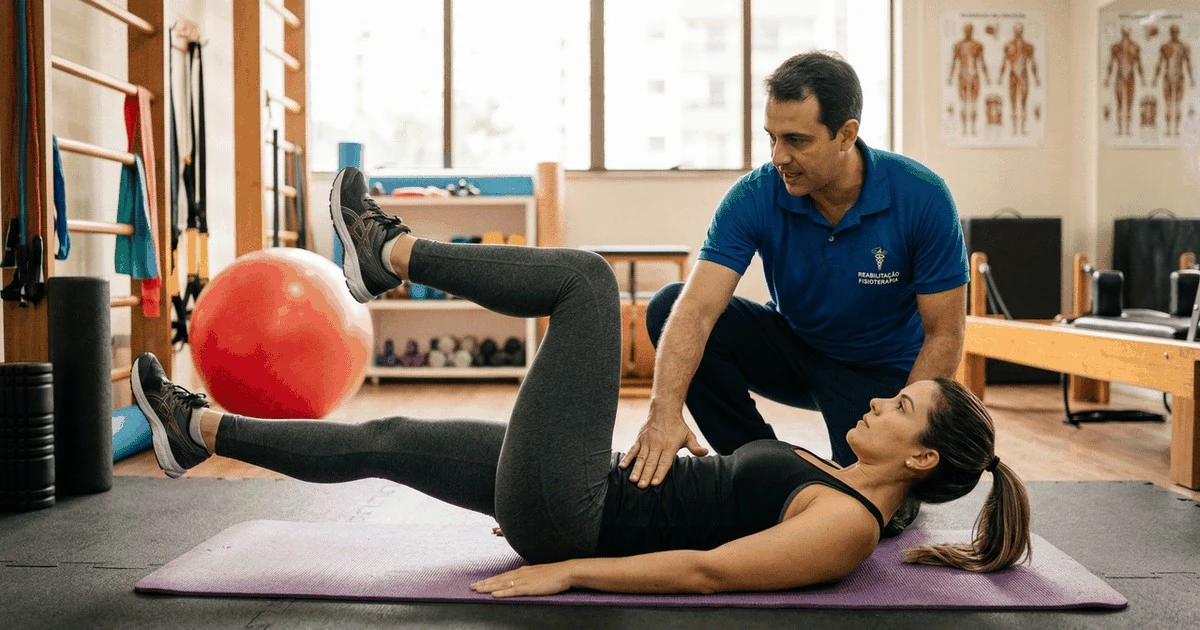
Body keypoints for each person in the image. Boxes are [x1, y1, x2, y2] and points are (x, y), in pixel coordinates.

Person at [131, 167, 1031, 598]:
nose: (880, 398)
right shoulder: (836, 487)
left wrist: (566, 572)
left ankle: (391, 253)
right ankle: (199, 431)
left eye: (900, 405)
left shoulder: (843, 527)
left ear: (917, 458)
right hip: (574, 491)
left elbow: (708, 571)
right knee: (392, 437)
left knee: (588, 283)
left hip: (578, 511)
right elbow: (710, 514)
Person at [626, 51, 969, 537]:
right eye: (772, 138)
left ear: (846, 134)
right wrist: (663, 415)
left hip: (878, 375)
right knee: (669, 305)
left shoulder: (922, 196)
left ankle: (826, 482)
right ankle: (755, 465)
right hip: (795, 346)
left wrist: (899, 445)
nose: (778, 157)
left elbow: (944, 335)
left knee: (871, 515)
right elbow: (698, 310)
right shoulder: (756, 194)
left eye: (796, 141)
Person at [997, 23, 1040, 136]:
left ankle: (1023, 128)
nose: (1018, 33)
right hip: (1012, 75)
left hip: (1024, 74)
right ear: (1014, 31)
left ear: (1022, 31)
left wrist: (1036, 78)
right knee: (1013, 102)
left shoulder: (1028, 46)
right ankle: (1014, 128)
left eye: (1020, 31)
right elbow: (1004, 62)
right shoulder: (1008, 46)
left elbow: (1033, 63)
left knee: (1023, 102)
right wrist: (1000, 77)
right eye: (1016, 30)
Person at [948, 22, 989, 136]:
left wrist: (987, 76)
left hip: (974, 75)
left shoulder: (977, 45)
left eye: (969, 30)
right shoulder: (958, 46)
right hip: (962, 75)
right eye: (966, 29)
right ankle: (964, 129)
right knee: (963, 103)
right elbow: (954, 62)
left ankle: (973, 128)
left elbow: (982, 62)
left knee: (974, 103)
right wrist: (950, 77)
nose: (968, 32)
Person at [1152, 24, 1194, 137]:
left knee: (1178, 104)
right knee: (1168, 105)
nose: (1174, 34)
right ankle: (1168, 129)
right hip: (1167, 77)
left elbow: (1188, 63)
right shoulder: (1165, 46)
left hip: (1179, 77)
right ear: (1170, 33)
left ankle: (1176, 130)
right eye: (1172, 32)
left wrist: (1191, 78)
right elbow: (1159, 63)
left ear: (1178, 33)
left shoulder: (1184, 46)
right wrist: (1155, 78)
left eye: (1176, 32)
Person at [1105, 26, 1145, 136]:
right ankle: (1119, 129)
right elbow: (1111, 63)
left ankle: (1127, 129)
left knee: (1129, 104)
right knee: (1119, 104)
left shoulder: (1135, 47)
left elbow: (1139, 64)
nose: (1126, 33)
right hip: (1119, 77)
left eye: (1128, 31)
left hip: (1130, 77)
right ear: (1121, 31)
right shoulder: (1116, 47)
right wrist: (1107, 78)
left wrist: (1142, 78)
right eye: (1124, 31)